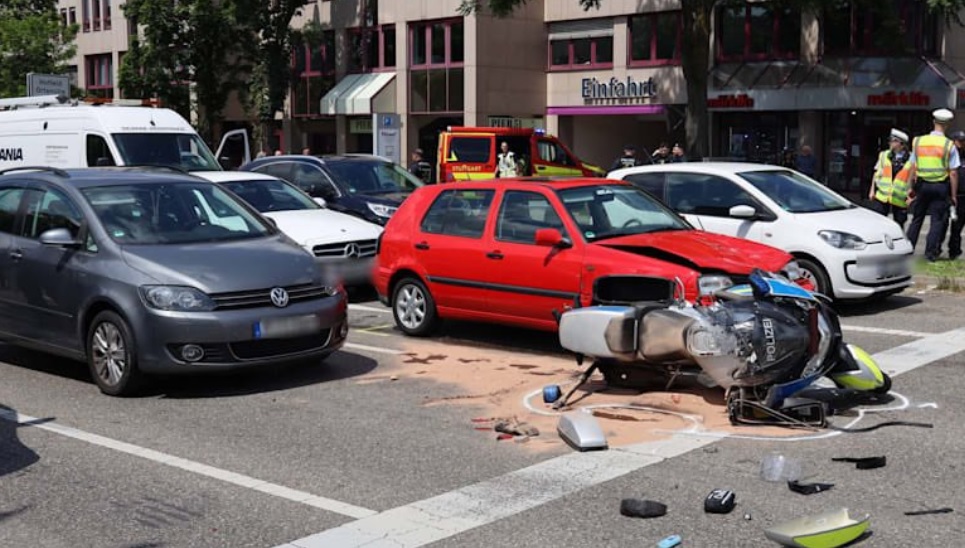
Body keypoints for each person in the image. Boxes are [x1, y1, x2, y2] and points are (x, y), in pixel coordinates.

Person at [906, 108, 960, 262]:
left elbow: (912, 166)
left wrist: (910, 187)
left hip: (922, 186)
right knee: (936, 220)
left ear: (933, 122)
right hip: (940, 186)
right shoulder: (949, 145)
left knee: (917, 218)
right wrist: (954, 195)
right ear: (948, 124)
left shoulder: (918, 141)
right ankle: (929, 254)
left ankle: (909, 249)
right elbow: (953, 173)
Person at [868, 128, 912, 230]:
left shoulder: (911, 158)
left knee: (899, 225)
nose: (890, 143)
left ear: (901, 143)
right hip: (882, 195)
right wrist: (872, 190)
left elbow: (914, 179)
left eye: (893, 140)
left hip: (899, 197)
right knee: (879, 223)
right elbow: (876, 173)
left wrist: (911, 196)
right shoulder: (884, 155)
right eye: (890, 140)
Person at [946, 130, 965, 259]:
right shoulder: (950, 156)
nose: (962, 144)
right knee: (956, 226)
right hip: (956, 196)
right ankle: (954, 251)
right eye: (959, 141)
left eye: (963, 141)